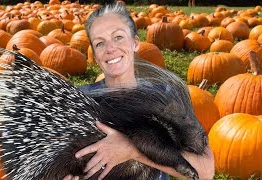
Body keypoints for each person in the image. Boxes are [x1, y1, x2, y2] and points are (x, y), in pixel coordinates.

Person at [64, 3, 214, 180]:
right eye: (100, 43)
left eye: (118, 37)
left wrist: (130, 150)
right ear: (95, 56)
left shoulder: (166, 95)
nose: (110, 49)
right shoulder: (79, 99)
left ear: (135, 43)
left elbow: (205, 171)